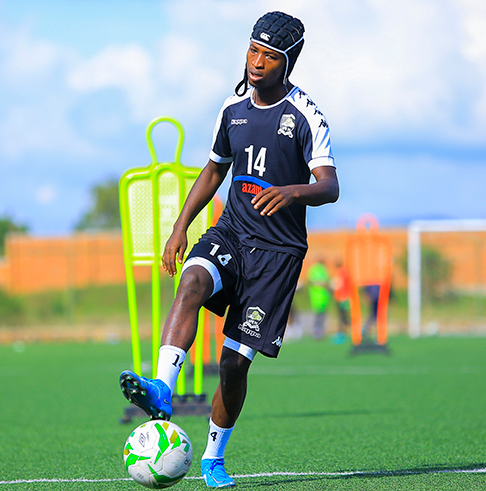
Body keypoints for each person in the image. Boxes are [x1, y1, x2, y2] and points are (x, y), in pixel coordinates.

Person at [118, 11, 338, 488]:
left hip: (277, 254)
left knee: (233, 365)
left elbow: (329, 186)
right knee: (192, 280)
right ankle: (162, 388)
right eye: (253, 50)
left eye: (269, 56)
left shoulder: (307, 116)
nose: (256, 62)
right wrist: (180, 227)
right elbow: (215, 169)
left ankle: (213, 458)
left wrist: (294, 192)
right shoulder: (232, 108)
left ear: (287, 62)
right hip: (232, 233)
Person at [307, 259, 332, 340]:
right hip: (322, 297)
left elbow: (310, 280)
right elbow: (325, 282)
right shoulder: (322, 269)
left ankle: (316, 331)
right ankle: (318, 332)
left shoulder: (312, 269)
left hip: (314, 297)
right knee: (320, 316)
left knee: (318, 315)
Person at [331, 259, 351, 343]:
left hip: (342, 297)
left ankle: (342, 331)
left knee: (343, 315)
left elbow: (340, 285)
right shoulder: (343, 272)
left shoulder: (341, 272)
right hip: (342, 296)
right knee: (344, 315)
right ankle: (344, 330)